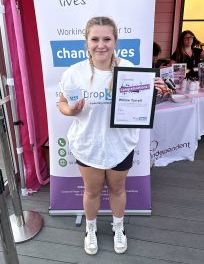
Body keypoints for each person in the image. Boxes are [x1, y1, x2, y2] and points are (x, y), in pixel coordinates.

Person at [59, 16, 167, 255]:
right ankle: (90, 228)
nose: (101, 44)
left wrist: (154, 89)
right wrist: (71, 110)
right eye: (95, 39)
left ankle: (119, 228)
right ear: (86, 42)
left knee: (118, 190)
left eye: (107, 39)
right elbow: (63, 104)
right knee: (92, 191)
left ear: (115, 41)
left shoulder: (130, 70)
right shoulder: (74, 73)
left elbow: (140, 103)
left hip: (121, 143)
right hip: (88, 143)